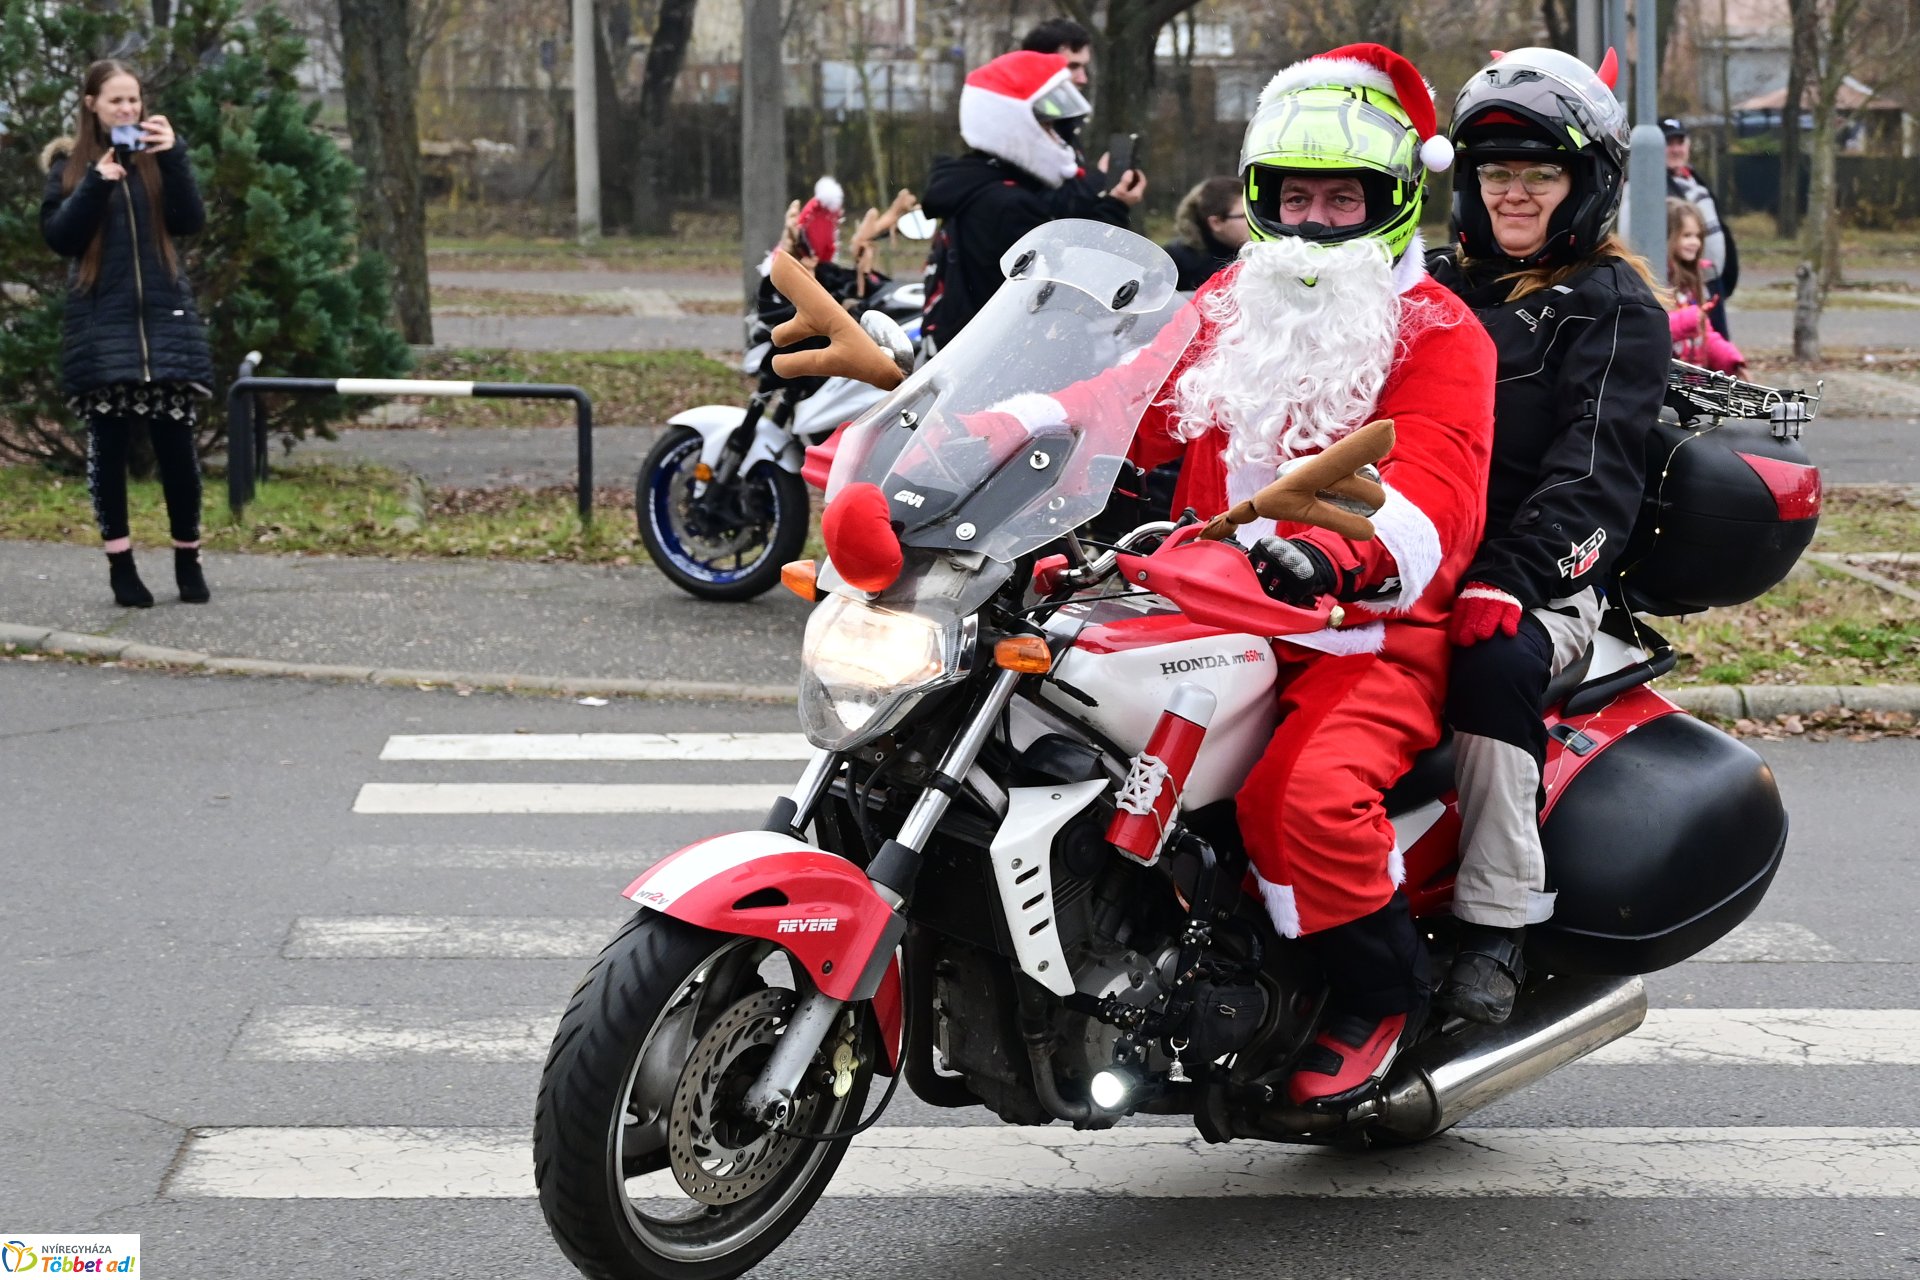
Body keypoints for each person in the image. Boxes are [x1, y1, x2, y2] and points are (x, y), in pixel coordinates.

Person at [1121, 43, 1495, 1107]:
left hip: (1359, 631)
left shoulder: (1436, 329)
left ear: (1389, 200)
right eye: (1297, 196)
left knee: (1304, 796)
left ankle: (1380, 993)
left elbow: (1435, 483)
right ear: (1261, 200)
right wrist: (971, 428)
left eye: (1344, 197)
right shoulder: (1226, 309)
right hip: (1196, 606)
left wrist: (1335, 549)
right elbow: (1116, 398)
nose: (1317, 221)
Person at [1427, 48, 1672, 1025]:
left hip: (1533, 582)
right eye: (1496, 173)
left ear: (1586, 183)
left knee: (1493, 660)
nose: (1514, 192)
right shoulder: (1430, 284)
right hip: (1394, 561)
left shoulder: (1612, 311)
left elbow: (1594, 475)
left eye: (1540, 172)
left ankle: (1493, 922)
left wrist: (1511, 578)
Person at [41, 59, 212, 607]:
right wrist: (95, 184)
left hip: (165, 322)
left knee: (177, 452)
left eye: (134, 99)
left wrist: (175, 155)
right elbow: (60, 238)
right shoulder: (68, 165)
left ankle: (189, 559)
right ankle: (122, 567)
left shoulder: (160, 160)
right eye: (116, 100)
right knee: (108, 451)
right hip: (104, 325)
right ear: (91, 103)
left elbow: (189, 222)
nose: (128, 109)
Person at [920, 51, 1143, 349]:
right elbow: (1066, 285)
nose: (1059, 141)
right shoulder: (1006, 202)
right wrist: (1116, 206)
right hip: (995, 359)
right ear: (1014, 126)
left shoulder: (976, 181)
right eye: (1048, 127)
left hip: (975, 348)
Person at [1663, 117, 1739, 340]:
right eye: (1670, 143)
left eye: (1680, 142)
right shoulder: (1651, 185)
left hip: (1708, 283)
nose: (1676, 149)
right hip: (1684, 288)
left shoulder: (1694, 179)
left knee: (1716, 345)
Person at [1667, 197, 1747, 376]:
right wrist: (1690, 318)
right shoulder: (1658, 282)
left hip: (1692, 380)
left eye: (1698, 236)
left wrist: (1733, 361)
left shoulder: (1693, 281)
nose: (1695, 242)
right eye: (1687, 235)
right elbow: (1653, 327)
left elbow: (1706, 334)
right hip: (1668, 383)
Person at [1163, 176, 1247, 291]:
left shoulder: (1261, 254)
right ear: (1216, 223)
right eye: (1245, 216)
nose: (1254, 222)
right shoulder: (1173, 261)